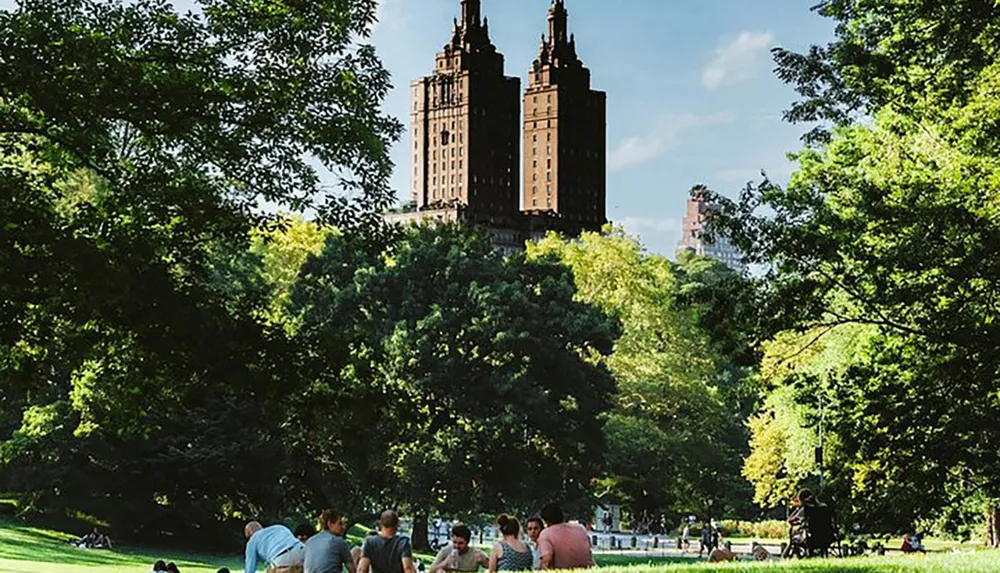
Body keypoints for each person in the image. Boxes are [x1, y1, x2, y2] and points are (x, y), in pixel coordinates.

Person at [536, 503, 594, 570]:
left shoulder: (545, 534)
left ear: (546, 520)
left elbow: (547, 560)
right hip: (588, 569)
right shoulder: (580, 528)